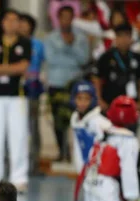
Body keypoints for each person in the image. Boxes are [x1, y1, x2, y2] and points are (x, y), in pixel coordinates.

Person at [76, 95, 140, 201]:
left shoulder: (105, 131)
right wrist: (132, 198)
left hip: (91, 179)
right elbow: (128, 170)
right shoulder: (128, 140)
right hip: (106, 184)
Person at [0, 9, 31, 193]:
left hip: (17, 97)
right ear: (3, 23)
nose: (12, 24)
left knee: (18, 137)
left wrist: (0, 68)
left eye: (15, 20)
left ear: (19, 24)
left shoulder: (24, 44)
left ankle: (19, 178)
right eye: (8, 20)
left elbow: (23, 66)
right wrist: (12, 69)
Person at [44, 5, 90, 161]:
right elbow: (51, 59)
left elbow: (84, 59)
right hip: (56, 83)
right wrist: (68, 48)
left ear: (73, 18)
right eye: (62, 16)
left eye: (68, 17)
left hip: (75, 84)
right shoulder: (50, 37)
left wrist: (69, 47)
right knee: (58, 120)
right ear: (58, 18)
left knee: (77, 118)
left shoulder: (81, 37)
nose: (65, 20)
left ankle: (77, 153)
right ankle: (62, 152)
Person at [19, 13, 46, 172]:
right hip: (17, 88)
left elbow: (43, 65)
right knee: (17, 126)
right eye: (20, 23)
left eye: (25, 23)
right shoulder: (14, 43)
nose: (22, 26)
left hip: (33, 87)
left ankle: (34, 162)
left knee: (33, 125)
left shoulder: (38, 45)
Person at [92, 23, 140, 111]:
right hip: (109, 104)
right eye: (120, 36)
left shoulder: (137, 57)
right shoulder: (106, 57)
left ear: (131, 38)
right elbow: (96, 79)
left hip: (132, 104)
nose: (123, 40)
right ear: (116, 38)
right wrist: (99, 99)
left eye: (126, 36)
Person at [69, 81, 111, 177]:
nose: (82, 103)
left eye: (86, 99)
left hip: (99, 173)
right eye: (79, 98)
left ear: (92, 100)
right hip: (84, 170)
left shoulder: (99, 121)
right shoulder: (75, 119)